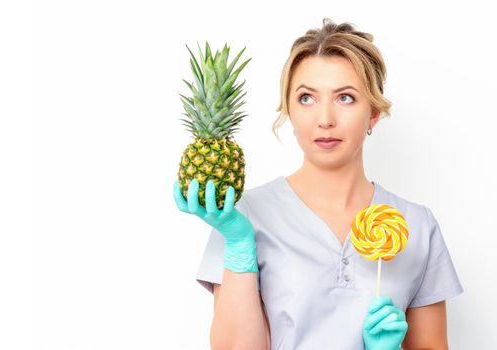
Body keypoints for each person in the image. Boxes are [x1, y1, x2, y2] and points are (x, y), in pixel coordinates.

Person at [173, 18, 464, 350]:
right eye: (307, 98)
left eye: (346, 98)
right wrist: (239, 244)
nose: (324, 119)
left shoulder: (416, 225)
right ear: (289, 112)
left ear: (373, 113)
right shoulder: (242, 217)